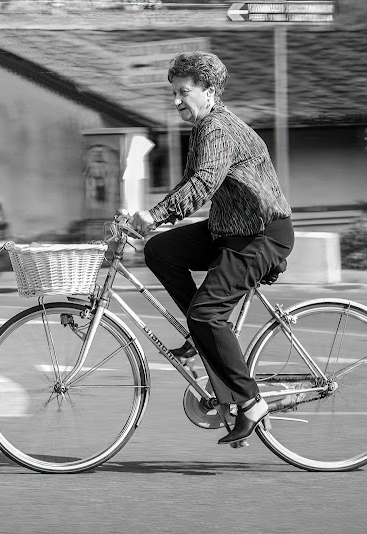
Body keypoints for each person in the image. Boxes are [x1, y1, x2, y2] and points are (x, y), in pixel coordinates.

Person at [129, 51, 294, 445]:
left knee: (207, 313)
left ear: (210, 91)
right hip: (228, 230)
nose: (176, 100)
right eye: (174, 92)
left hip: (261, 235)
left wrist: (154, 215)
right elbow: (197, 185)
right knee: (161, 251)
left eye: (183, 92)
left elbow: (203, 184)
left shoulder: (217, 128)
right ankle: (199, 337)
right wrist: (158, 218)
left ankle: (251, 402)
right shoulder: (204, 127)